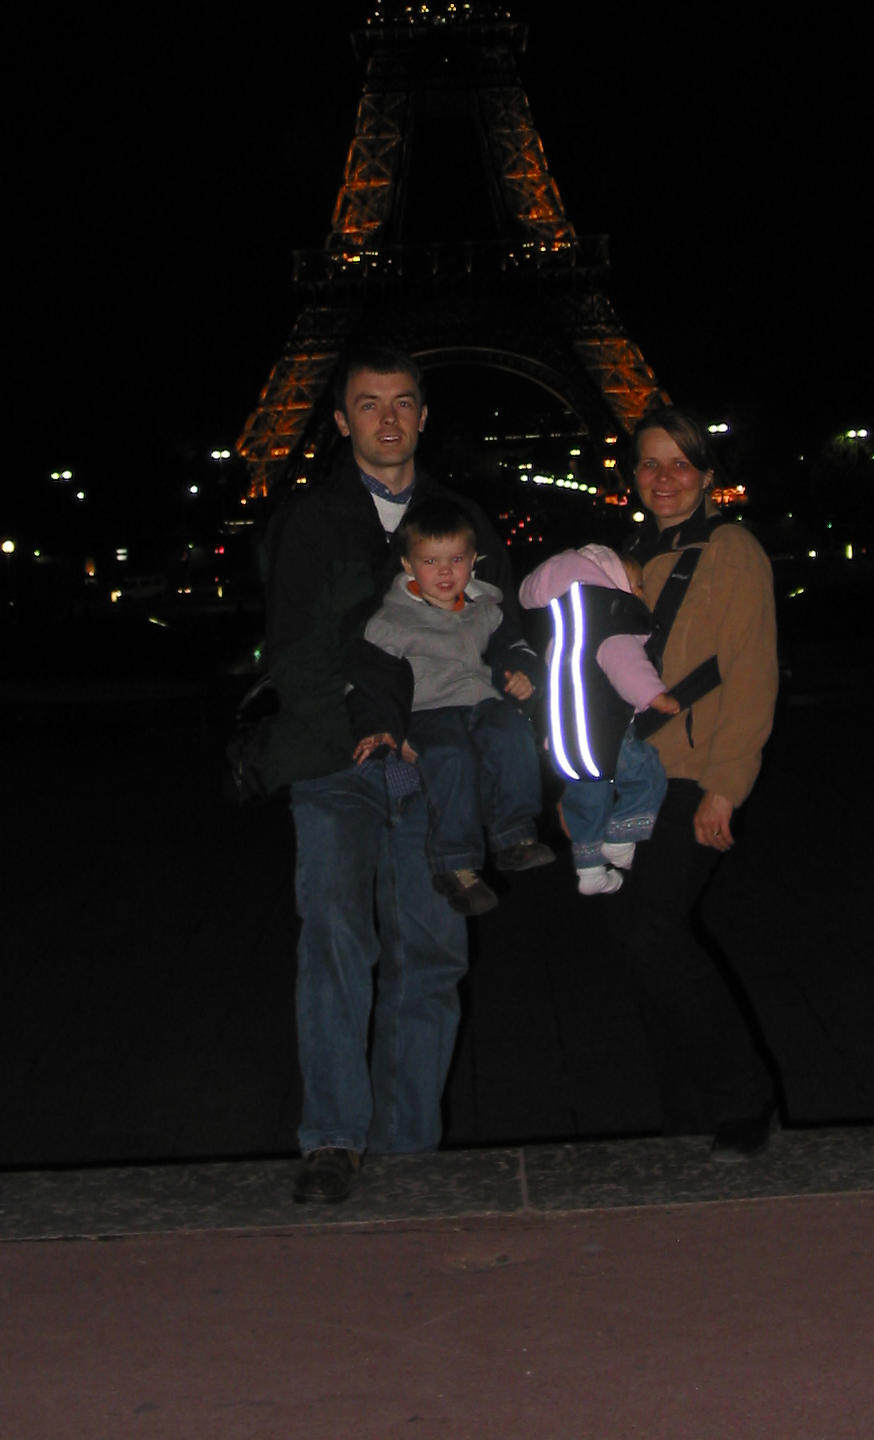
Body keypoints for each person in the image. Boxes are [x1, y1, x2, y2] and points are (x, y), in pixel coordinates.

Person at [257, 344, 529, 1206]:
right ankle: (335, 1136)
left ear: (421, 415)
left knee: (432, 950)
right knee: (337, 940)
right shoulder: (307, 521)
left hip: (434, 770)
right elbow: (294, 655)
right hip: (339, 763)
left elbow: (500, 637)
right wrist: (374, 723)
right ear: (341, 419)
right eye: (368, 403)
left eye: (401, 402)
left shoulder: (466, 524)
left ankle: (409, 1144)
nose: (386, 418)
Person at [612, 404, 783, 1157]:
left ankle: (741, 1096)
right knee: (639, 939)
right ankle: (683, 1108)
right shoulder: (628, 561)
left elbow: (750, 674)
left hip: (691, 772)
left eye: (679, 462)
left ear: (707, 477)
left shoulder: (732, 550)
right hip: (631, 776)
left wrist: (727, 787)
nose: (664, 476)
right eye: (650, 463)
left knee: (653, 929)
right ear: (632, 479)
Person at [350, 494, 552, 917]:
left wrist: (520, 672)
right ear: (407, 565)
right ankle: (455, 865)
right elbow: (368, 679)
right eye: (430, 561)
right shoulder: (389, 622)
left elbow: (512, 646)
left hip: (482, 700)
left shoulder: (486, 607)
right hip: (428, 710)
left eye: (456, 559)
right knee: (451, 759)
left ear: (474, 560)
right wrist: (384, 728)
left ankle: (515, 834)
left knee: (514, 734)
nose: (445, 572)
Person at [517, 544, 679, 894]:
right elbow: (627, 667)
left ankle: (589, 870)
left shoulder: (566, 634)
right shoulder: (612, 625)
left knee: (588, 798)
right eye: (635, 584)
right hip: (607, 731)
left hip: (566, 737)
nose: (641, 593)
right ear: (608, 583)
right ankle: (621, 839)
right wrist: (655, 697)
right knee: (646, 773)